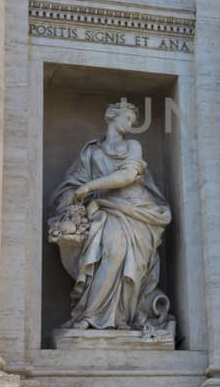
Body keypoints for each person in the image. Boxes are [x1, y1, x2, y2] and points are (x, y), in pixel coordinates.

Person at [47, 98, 172, 331]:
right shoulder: (91, 152)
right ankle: (92, 315)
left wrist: (89, 187)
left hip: (137, 211)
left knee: (127, 260)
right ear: (112, 117)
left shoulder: (133, 146)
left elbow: (127, 176)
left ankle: (122, 317)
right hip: (105, 210)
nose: (131, 124)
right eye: (127, 118)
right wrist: (75, 195)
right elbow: (74, 183)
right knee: (111, 252)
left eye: (134, 120)